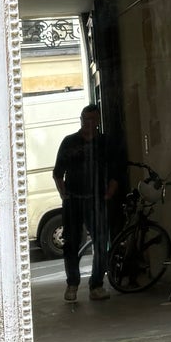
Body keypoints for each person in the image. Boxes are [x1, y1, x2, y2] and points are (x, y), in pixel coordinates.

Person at [52, 103, 123, 304]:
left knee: (101, 243)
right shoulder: (69, 142)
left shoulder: (105, 143)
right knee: (71, 243)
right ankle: (72, 283)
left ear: (98, 122)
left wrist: (109, 193)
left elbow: (116, 171)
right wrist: (63, 193)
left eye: (92, 120)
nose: (88, 124)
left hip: (97, 199)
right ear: (81, 120)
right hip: (74, 199)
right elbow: (58, 172)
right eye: (85, 120)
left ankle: (97, 285)